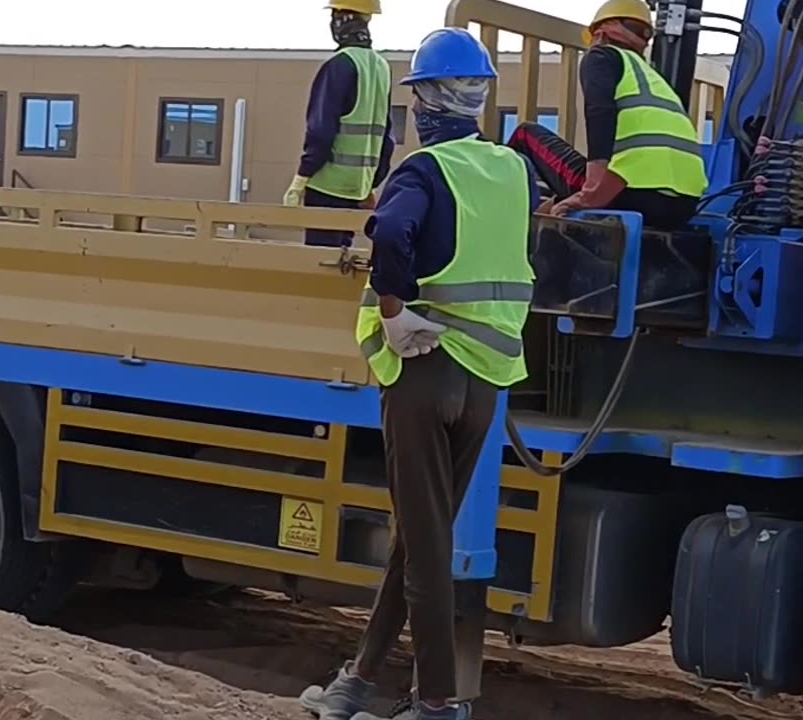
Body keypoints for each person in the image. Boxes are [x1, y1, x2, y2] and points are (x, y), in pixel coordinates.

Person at [298, 27, 539, 720]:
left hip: (425, 372)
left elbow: (392, 234)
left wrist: (396, 310)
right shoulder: (512, 170)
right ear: (480, 97)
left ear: (428, 99)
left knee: (427, 547)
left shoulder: (425, 171)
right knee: (419, 536)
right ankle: (357, 681)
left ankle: (436, 702)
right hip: (488, 379)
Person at [505, 0, 708, 229]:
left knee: (525, 134)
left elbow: (600, 115)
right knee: (553, 206)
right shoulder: (652, 79)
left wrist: (589, 194)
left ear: (600, 32)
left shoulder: (602, 57)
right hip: (684, 206)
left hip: (633, 193)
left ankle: (499, 216)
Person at [282, 0, 396, 247]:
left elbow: (321, 132)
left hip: (327, 187)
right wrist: (370, 184)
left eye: (335, 14)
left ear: (343, 18)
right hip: (358, 189)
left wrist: (302, 177)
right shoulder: (381, 67)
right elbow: (386, 136)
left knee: (321, 265)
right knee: (343, 263)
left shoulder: (339, 65)